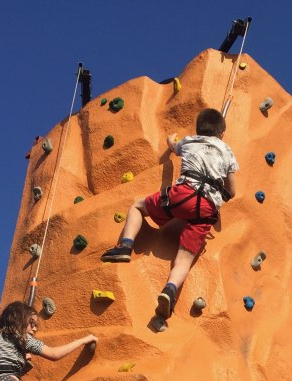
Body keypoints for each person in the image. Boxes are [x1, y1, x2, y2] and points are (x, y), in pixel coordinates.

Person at [101, 108, 239, 320]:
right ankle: (170, 290)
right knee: (184, 259)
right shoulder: (227, 150)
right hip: (205, 208)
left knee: (138, 206)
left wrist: (170, 140)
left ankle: (126, 246)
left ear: (199, 128)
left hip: (182, 195)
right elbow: (232, 190)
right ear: (222, 133)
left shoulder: (190, 141)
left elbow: (174, 147)